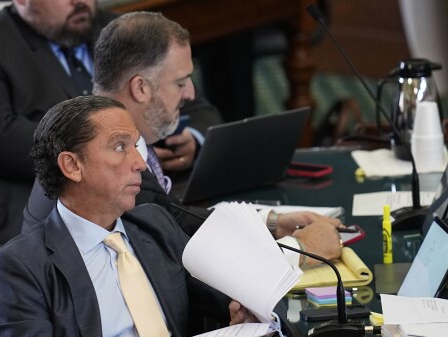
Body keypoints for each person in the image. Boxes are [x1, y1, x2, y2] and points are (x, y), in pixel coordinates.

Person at [0, 2, 221, 337]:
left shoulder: (111, 33)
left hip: (99, 208)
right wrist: (90, 144)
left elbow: (193, 99)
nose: (83, 2)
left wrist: (186, 137)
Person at [22, 11, 344, 266]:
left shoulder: (121, 144)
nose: (190, 94)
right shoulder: (110, 167)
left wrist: (272, 223)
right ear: (140, 88)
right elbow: (187, 258)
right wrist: (300, 249)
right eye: (180, 82)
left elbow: (176, 218)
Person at [0, 95, 253, 337]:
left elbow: (212, 295)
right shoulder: (17, 266)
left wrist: (237, 308)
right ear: (72, 165)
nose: (139, 164)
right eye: (120, 147)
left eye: (136, 146)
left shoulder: (154, 223)